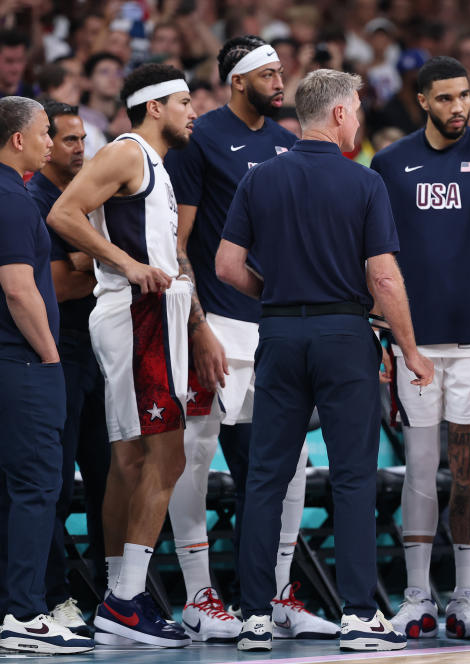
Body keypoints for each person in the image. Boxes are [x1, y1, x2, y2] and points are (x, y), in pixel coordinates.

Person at [216, 68, 433, 653]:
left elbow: (227, 267)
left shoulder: (259, 179)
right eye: (357, 110)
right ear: (338, 114)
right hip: (344, 335)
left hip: (280, 335)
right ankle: (360, 617)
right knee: (353, 478)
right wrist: (410, 348)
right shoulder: (363, 183)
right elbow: (383, 277)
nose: (359, 120)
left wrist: (282, 296)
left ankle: (255, 616)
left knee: (264, 479)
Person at [164, 34, 335, 643]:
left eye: (281, 71)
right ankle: (198, 595)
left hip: (276, 323)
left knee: (290, 461)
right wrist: (198, 322)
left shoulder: (290, 144)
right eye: (268, 73)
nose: (280, 81)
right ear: (238, 80)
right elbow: (177, 244)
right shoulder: (200, 138)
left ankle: (278, 593)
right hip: (217, 323)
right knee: (196, 452)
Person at [370, 55, 470, 640]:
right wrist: (385, 338)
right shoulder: (388, 165)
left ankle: (465, 598)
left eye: (463, 96)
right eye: (444, 98)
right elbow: (376, 262)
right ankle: (417, 597)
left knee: (467, 471)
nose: (458, 106)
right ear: (421, 101)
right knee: (418, 467)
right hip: (412, 342)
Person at [47, 63, 197, 649]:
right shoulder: (127, 151)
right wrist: (124, 263)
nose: (192, 112)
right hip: (138, 315)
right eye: (184, 102)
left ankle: (120, 596)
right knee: (167, 456)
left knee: (132, 459)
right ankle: (125, 600)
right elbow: (63, 213)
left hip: (153, 315)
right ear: (154, 106)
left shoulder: (153, 163)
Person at [0, 96, 93, 655]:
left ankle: (13, 605)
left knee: (12, 490)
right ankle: (24, 613)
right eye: (42, 134)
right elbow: (18, 287)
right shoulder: (13, 199)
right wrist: (52, 357)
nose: (46, 141)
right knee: (36, 487)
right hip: (24, 360)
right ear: (18, 140)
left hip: (9, 360)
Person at [27, 101, 111, 637]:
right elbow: (55, 287)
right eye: (71, 140)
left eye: (84, 139)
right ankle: (53, 597)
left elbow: (85, 271)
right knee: (55, 485)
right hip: (57, 351)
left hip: (98, 350)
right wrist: (106, 267)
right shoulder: (35, 200)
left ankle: (114, 596)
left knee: (109, 480)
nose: (81, 149)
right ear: (47, 144)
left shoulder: (86, 198)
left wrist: (91, 264)